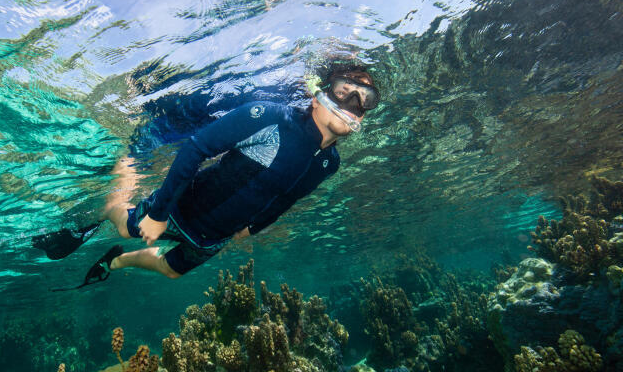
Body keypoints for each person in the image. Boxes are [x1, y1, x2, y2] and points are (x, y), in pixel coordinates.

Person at [33, 64, 380, 288]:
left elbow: (288, 197)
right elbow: (196, 149)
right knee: (127, 225)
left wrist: (254, 228)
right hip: (182, 208)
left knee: (170, 270)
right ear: (318, 95)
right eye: (343, 89)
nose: (352, 101)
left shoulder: (329, 164)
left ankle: (115, 260)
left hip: (216, 235)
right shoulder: (274, 117)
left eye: (365, 98)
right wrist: (158, 213)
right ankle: (112, 201)